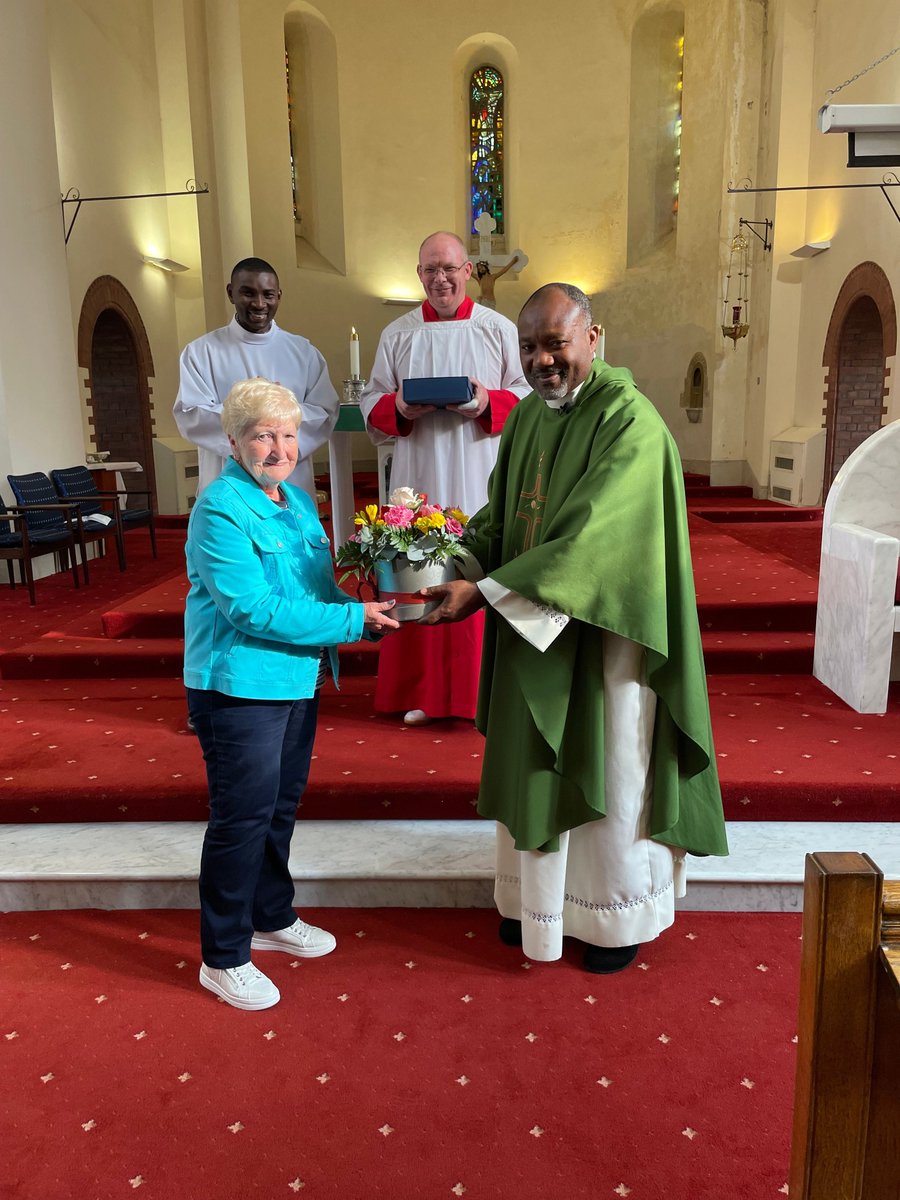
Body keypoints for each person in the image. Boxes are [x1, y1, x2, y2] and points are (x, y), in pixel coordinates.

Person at [421, 284, 728, 974]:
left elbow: (593, 539)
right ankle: (537, 906)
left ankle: (614, 919)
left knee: (610, 767)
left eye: (555, 343)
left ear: (594, 337)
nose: (541, 361)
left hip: (605, 637)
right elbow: (503, 513)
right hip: (532, 623)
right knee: (534, 764)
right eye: (528, 347)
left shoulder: (632, 424)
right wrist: (463, 559)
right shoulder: (528, 418)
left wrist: (489, 589)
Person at [184, 378, 398, 1010]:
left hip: (296, 677)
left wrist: (372, 607)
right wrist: (353, 624)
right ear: (233, 441)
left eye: (286, 434)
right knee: (240, 818)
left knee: (278, 808)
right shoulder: (219, 509)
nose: (278, 447)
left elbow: (315, 588)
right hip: (239, 686)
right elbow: (252, 609)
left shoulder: (298, 503)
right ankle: (222, 957)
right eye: (261, 435)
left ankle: (271, 917)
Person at [360, 231, 530, 725]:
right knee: (421, 570)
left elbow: (527, 397)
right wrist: (399, 407)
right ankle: (424, 693)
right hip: (419, 479)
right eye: (431, 269)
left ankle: (488, 691)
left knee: (476, 567)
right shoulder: (399, 334)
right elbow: (372, 403)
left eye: (449, 268)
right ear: (419, 275)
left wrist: (483, 402)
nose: (441, 278)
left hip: (481, 474)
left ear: (468, 270)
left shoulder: (498, 329)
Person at [174, 257, 339, 500]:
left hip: (290, 481)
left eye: (268, 295)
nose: (259, 304)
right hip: (228, 481)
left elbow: (325, 412)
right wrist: (255, 414)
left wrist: (271, 425)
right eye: (248, 293)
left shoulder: (303, 352)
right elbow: (190, 415)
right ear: (231, 293)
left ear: (279, 296)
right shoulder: (201, 352)